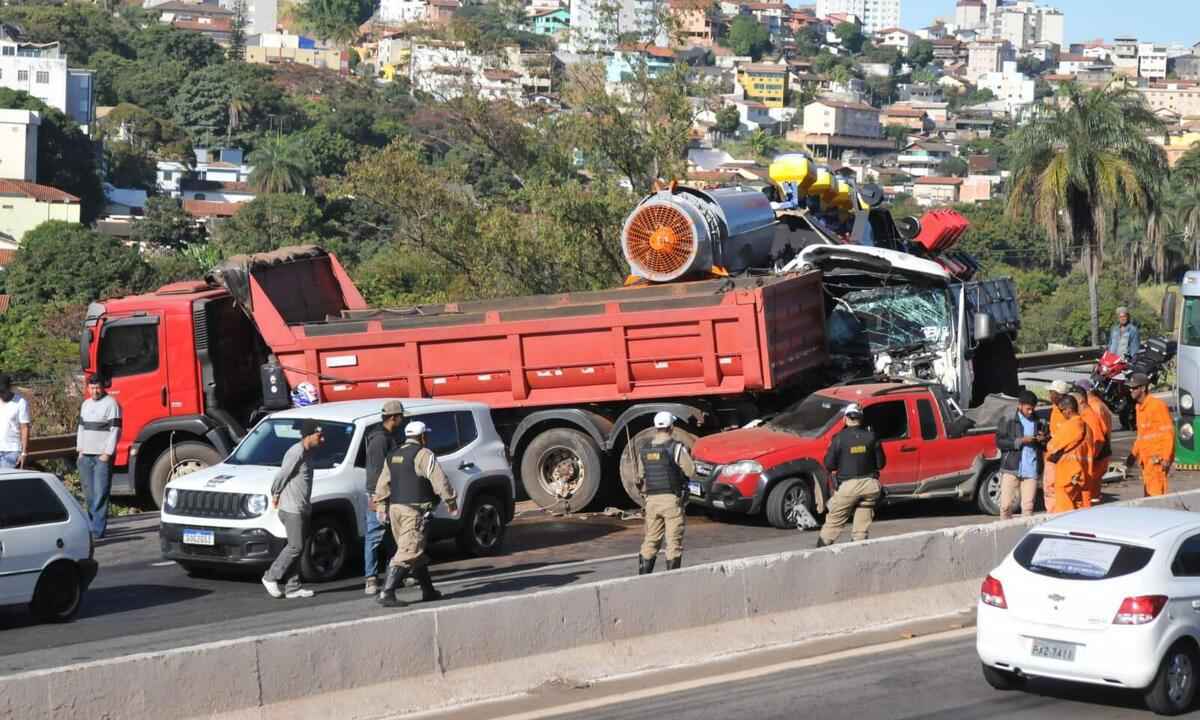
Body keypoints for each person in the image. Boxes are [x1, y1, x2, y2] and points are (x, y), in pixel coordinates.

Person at [375, 420, 458, 608]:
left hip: (395, 509)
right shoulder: (423, 454)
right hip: (414, 511)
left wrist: (381, 506)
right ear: (422, 436)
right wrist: (450, 501)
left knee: (413, 550)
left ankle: (428, 590)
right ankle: (386, 593)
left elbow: (382, 483)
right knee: (409, 550)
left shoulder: (393, 454)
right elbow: (439, 480)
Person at [262, 420, 325, 600]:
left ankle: (293, 587)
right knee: (295, 546)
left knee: (299, 546)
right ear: (309, 435)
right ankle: (270, 576)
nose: (322, 439)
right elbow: (282, 474)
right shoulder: (296, 452)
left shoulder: (309, 453)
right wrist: (275, 494)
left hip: (302, 507)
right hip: (292, 509)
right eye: (319, 436)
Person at [636, 411, 696, 574]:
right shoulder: (675, 448)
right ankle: (671, 580)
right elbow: (690, 470)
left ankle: (643, 578)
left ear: (656, 428)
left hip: (651, 501)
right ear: (671, 427)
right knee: (673, 543)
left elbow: (641, 476)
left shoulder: (645, 449)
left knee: (650, 540)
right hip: (671, 500)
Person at [818, 403, 885, 546]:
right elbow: (881, 464)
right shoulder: (872, 437)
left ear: (845, 419)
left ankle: (820, 553)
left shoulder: (839, 438)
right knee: (861, 529)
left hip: (847, 488)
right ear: (861, 419)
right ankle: (858, 555)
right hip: (870, 487)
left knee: (832, 525)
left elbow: (829, 465)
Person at [363, 400, 404, 595]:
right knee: (374, 535)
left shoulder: (385, 436)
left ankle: (393, 574)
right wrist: (379, 497)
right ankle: (371, 579)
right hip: (380, 494)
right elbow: (379, 471)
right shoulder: (381, 440)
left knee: (390, 535)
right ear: (393, 417)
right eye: (401, 416)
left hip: (386, 492)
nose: (403, 420)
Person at [76, 374, 121, 539]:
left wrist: (107, 453)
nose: (95, 391)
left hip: (101, 457)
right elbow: (81, 428)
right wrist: (80, 450)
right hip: (85, 455)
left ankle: (97, 530)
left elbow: (115, 430)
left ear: (103, 387)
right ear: (88, 388)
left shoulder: (111, 404)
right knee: (89, 494)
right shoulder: (85, 404)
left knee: (101, 492)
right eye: (92, 388)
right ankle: (91, 525)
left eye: (97, 387)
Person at [995, 391, 1046, 520]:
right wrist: (1020, 441)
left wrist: (1042, 439)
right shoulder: (1008, 419)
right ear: (1020, 405)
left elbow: (1044, 443)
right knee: (1005, 506)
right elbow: (1000, 442)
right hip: (1011, 468)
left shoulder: (1038, 421)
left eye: (1032, 409)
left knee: (1028, 507)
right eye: (1028, 409)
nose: (1030, 412)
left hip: (1031, 469)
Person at [1128, 372, 1174, 497]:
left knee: (1156, 496)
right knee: (1149, 495)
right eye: (1130, 387)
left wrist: (1166, 458)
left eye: (1134, 387)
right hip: (1146, 460)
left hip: (1157, 460)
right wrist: (1133, 455)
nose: (1131, 390)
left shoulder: (1157, 406)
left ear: (1143, 388)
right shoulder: (1139, 407)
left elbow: (1168, 433)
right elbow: (1141, 435)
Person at [1045, 395, 1091, 513]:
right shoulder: (1087, 426)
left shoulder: (1070, 425)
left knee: (1063, 510)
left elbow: (1051, 447)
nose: (1061, 414)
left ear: (1069, 409)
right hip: (1081, 472)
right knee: (1078, 507)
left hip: (1067, 473)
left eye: (1062, 410)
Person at [1075, 381, 1111, 504]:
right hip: (1098, 460)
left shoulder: (1093, 409)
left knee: (1090, 498)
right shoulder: (1097, 405)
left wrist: (1090, 459)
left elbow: (1099, 439)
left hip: (1096, 461)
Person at [1042, 380, 1071, 513]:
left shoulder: (1066, 412)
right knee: (1049, 487)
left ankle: (1056, 513)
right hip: (1052, 455)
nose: (1049, 394)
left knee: (1056, 487)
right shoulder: (1055, 408)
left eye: (1052, 392)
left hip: (1060, 457)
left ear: (1059, 395)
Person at [0, 374, 31, 469]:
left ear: (9, 388)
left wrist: (24, 452)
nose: (1, 394)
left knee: (5, 482)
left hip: (11, 451)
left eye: (3, 391)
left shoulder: (20, 402)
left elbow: (24, 427)